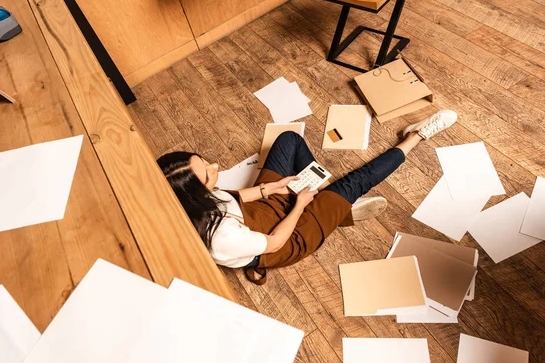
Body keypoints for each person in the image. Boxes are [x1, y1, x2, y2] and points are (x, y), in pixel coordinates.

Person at [157, 110, 457, 284]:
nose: (215, 167)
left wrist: (271, 189)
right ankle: (416, 136)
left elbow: (233, 196)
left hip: (259, 211)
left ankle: (334, 206)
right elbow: (275, 242)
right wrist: (300, 204)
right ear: (196, 195)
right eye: (209, 174)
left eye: (205, 162)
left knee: (289, 139)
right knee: (356, 182)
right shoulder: (221, 238)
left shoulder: (189, 198)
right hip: (284, 239)